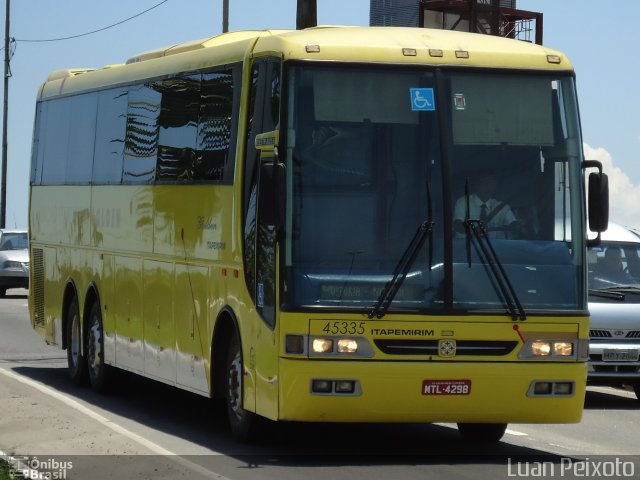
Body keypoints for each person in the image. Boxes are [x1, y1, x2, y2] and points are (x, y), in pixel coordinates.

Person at [453, 170, 519, 239]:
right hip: (467, 247)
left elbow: (513, 224)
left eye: (491, 182)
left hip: (493, 248)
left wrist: (517, 226)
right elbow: (458, 225)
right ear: (476, 185)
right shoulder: (464, 202)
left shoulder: (502, 207)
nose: (488, 186)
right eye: (483, 182)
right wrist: (475, 230)